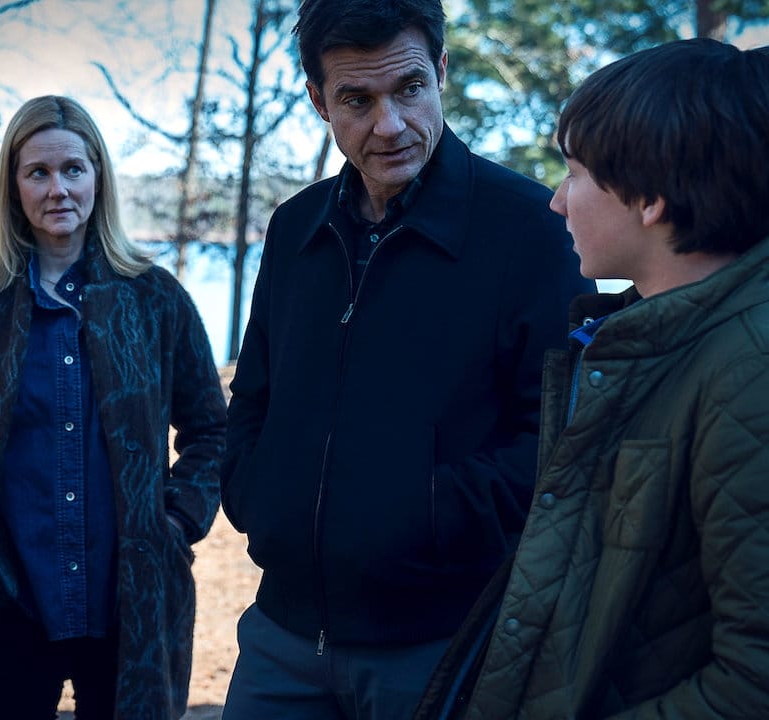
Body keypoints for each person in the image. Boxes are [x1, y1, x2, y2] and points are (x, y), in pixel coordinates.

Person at [219, 0, 594, 717]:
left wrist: (419, 517)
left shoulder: (533, 230)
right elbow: (256, 396)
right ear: (317, 99)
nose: (389, 125)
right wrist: (256, 495)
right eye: (357, 100)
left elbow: (562, 438)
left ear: (442, 72)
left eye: (410, 89)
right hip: (280, 638)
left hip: (442, 644)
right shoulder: (294, 227)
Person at [414, 38, 769, 720]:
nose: (556, 201)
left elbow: (754, 683)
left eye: (575, 173)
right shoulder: (645, 343)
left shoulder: (746, 371)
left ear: (652, 197)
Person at [0, 95, 226, 720]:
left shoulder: (155, 300)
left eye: (73, 169)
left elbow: (211, 428)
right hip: (11, 597)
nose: (58, 189)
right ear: (13, 187)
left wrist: (177, 522)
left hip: (127, 596)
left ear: (98, 177)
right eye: (38, 172)